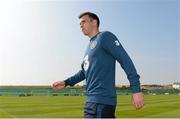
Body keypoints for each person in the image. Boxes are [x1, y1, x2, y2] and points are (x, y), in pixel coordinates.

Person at [52, 12, 144, 118]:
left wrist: (136, 89)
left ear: (94, 22)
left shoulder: (105, 37)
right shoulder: (89, 46)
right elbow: (83, 72)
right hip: (90, 101)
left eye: (83, 22)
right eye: (79, 24)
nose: (81, 25)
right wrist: (66, 82)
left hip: (103, 102)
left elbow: (125, 60)